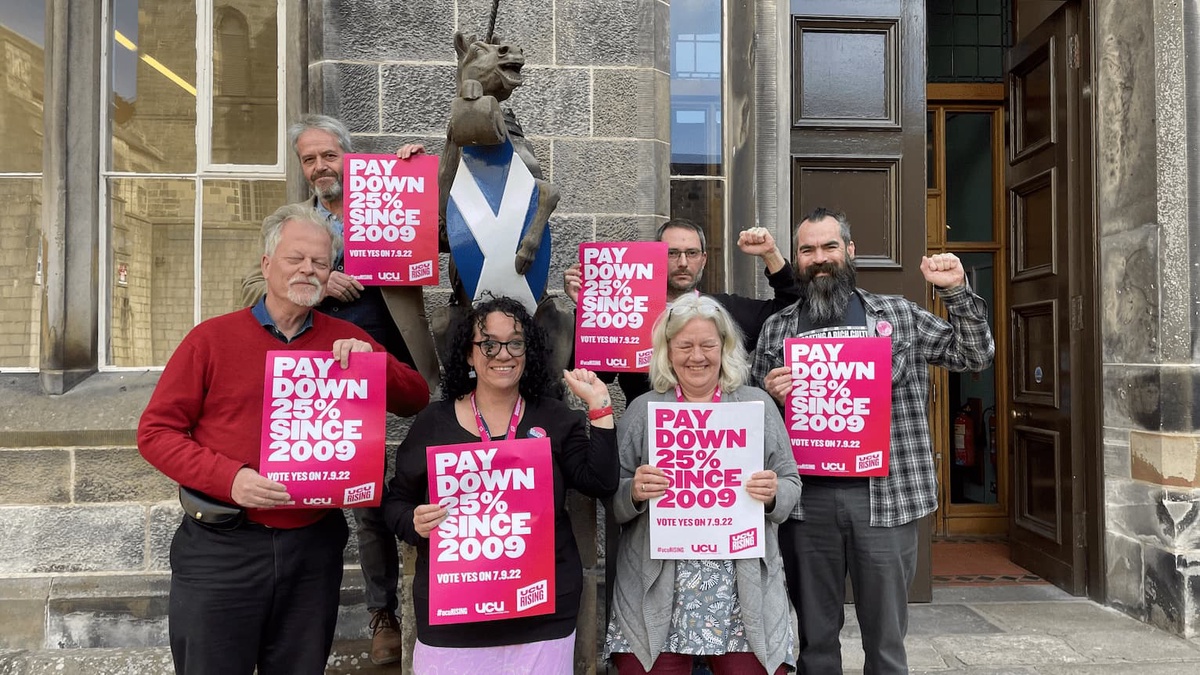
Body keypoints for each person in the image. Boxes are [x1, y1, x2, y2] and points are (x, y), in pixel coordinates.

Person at [138, 204, 430, 674]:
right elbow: (156, 433)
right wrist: (229, 478)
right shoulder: (211, 339)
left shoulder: (346, 338)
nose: (308, 270)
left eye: (320, 262)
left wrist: (375, 365)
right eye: (296, 258)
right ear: (267, 263)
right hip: (223, 546)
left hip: (311, 549)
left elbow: (415, 397)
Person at [751, 207, 995, 674]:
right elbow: (751, 416)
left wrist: (955, 291)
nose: (819, 258)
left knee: (886, 644)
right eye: (807, 250)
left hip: (886, 498)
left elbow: (975, 354)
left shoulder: (898, 315)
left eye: (829, 246)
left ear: (850, 251)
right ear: (797, 259)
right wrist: (769, 394)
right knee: (814, 642)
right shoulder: (777, 327)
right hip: (805, 504)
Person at [240, 114, 434, 665]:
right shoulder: (294, 224)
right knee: (358, 499)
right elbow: (252, 287)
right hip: (328, 376)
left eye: (329, 155)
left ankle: (428, 603)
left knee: (413, 486)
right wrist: (319, 284)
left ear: (348, 155)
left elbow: (444, 235)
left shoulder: (388, 197)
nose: (321, 167)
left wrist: (418, 174)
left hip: (396, 365)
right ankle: (381, 614)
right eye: (309, 159)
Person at [382, 295, 619, 673]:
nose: (503, 354)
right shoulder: (433, 423)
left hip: (541, 616)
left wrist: (600, 405)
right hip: (454, 619)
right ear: (469, 354)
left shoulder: (555, 418)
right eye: (488, 344)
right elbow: (395, 503)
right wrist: (413, 522)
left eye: (515, 343)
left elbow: (601, 482)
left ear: (528, 351)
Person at [604, 294, 800, 675]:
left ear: (725, 348)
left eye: (708, 345)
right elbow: (611, 495)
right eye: (685, 346)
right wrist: (634, 492)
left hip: (741, 593)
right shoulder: (644, 410)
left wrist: (774, 493)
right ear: (667, 351)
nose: (697, 356)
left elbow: (791, 479)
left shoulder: (756, 405)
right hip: (657, 590)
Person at [563, 218, 801, 402]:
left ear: (704, 259)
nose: (683, 262)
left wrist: (771, 254)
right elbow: (591, 374)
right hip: (647, 434)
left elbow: (792, 307)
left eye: (692, 253)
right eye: (672, 253)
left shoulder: (723, 311)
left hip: (716, 436)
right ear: (656, 257)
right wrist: (590, 309)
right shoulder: (628, 312)